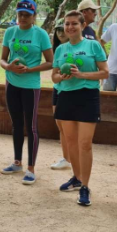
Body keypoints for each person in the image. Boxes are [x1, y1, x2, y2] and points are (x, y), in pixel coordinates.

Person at [52, 10, 108, 206]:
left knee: (85, 143)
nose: (70, 27)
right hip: (66, 96)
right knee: (70, 142)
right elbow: (54, 77)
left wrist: (81, 74)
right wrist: (63, 77)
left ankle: (85, 186)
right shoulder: (60, 49)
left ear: (83, 25)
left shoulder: (93, 45)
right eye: (67, 24)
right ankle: (76, 177)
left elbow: (105, 73)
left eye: (74, 23)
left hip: (87, 96)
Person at [0, 0, 53, 185]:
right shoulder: (10, 32)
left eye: (27, 15)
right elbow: (2, 60)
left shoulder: (41, 34)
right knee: (16, 124)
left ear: (34, 16)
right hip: (12, 83)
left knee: (31, 126)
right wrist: (9, 68)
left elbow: (50, 62)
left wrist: (30, 69)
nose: (22, 17)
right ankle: (17, 162)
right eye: (20, 13)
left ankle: (31, 168)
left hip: (30, 85)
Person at [49, 19, 71, 171]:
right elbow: (54, 74)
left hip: (71, 91)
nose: (61, 33)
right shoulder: (57, 49)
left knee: (69, 127)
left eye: (63, 29)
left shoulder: (75, 47)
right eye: (58, 31)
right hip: (58, 88)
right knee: (60, 125)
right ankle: (66, 158)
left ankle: (71, 157)